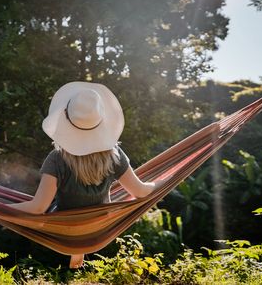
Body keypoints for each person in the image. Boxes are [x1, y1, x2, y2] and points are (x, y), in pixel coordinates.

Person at [10, 81, 163, 268]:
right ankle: (77, 255)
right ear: (101, 120)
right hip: (99, 226)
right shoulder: (114, 156)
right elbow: (140, 191)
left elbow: (38, 207)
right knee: (86, 217)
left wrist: (4, 209)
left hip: (65, 227)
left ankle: (76, 249)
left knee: (64, 214)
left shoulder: (57, 159)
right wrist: (162, 183)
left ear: (65, 119)